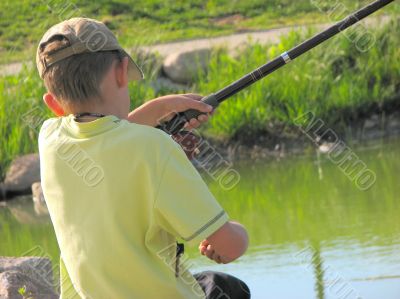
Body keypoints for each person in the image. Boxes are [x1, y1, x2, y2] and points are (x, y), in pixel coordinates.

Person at [36, 17, 250, 299]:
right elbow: (230, 247)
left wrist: (159, 108)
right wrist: (239, 233)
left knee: (213, 283)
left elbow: (103, 137)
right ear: (122, 72)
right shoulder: (155, 149)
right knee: (230, 290)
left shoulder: (50, 138)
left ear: (52, 103)